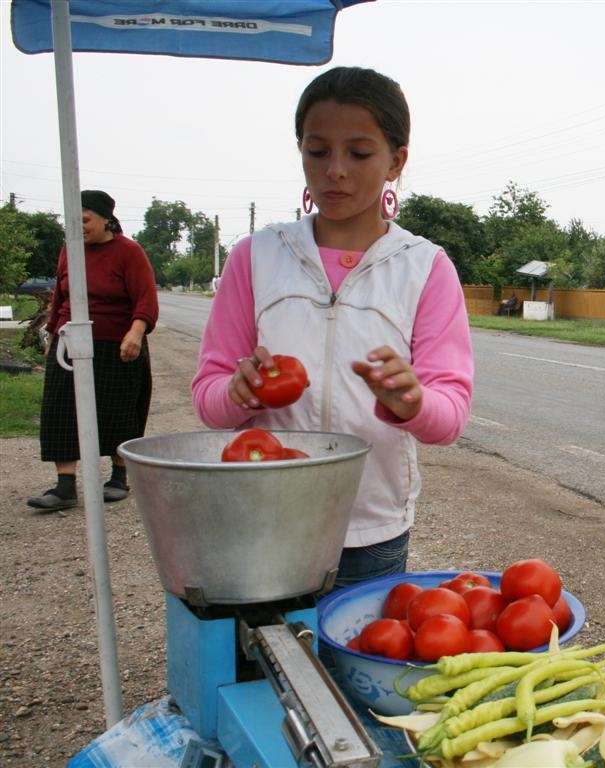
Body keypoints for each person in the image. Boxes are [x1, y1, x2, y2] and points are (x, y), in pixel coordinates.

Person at [191, 67, 474, 587]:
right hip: (263, 513)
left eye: (360, 153)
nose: (335, 171)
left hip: (370, 529)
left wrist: (412, 403)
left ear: (397, 161)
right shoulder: (256, 256)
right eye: (317, 151)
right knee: (262, 662)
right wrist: (239, 393)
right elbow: (209, 400)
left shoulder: (425, 267)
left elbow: (449, 417)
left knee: (354, 665)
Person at [28, 190, 159, 511]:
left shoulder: (129, 252)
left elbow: (145, 299)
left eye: (84, 220)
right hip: (69, 341)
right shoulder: (68, 251)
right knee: (61, 408)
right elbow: (60, 297)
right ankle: (65, 486)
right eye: (73, 221)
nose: (78, 226)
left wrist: (136, 333)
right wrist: (50, 335)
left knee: (118, 407)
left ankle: (118, 477)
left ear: (106, 219)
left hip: (117, 343)